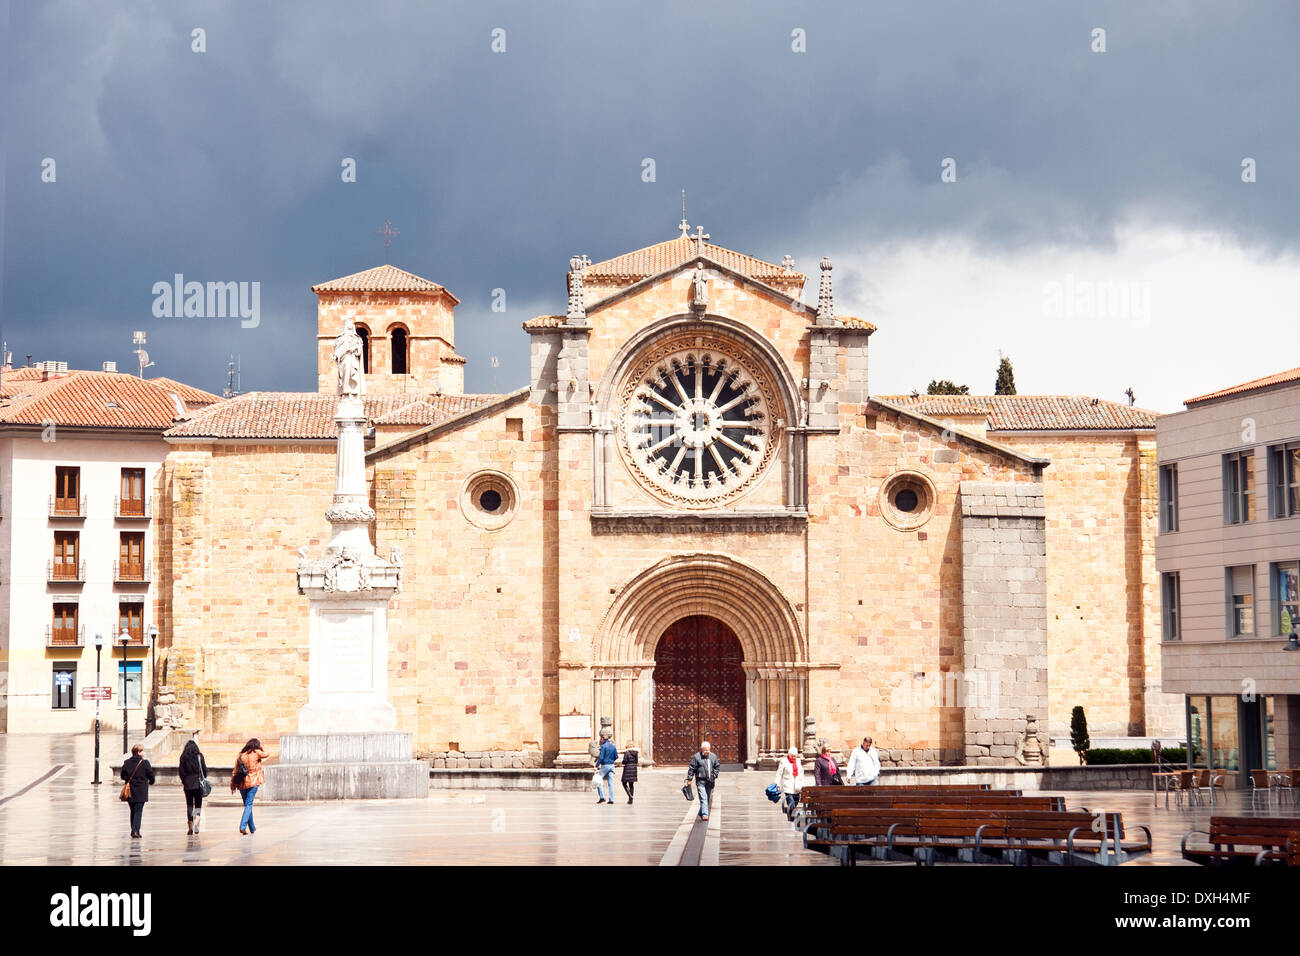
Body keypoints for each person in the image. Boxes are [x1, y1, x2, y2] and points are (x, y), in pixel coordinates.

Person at [231, 738, 268, 834]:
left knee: (247, 805)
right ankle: (242, 826)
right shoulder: (257, 753)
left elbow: (235, 771)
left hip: (242, 783)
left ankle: (252, 828)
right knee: (249, 805)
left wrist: (233, 784)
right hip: (253, 781)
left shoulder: (240, 755)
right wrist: (262, 747)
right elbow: (267, 754)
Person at [120, 744, 155, 839]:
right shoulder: (145, 763)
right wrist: (151, 782)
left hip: (130, 790)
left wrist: (129, 779)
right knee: (138, 811)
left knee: (133, 810)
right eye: (142, 751)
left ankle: (133, 829)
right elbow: (151, 775)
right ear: (139, 752)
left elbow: (122, 776)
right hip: (141, 791)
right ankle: (135, 831)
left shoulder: (127, 762)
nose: (144, 753)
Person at [178, 739, 208, 834]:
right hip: (198, 783)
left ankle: (190, 825)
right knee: (198, 805)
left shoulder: (183, 757)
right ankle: (197, 822)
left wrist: (184, 780)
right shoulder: (200, 756)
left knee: (189, 804)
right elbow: (204, 770)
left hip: (187, 784)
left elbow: (181, 772)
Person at [685, 741, 720, 821]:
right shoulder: (696, 757)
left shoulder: (713, 757)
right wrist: (689, 779)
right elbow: (692, 768)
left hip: (710, 781)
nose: (707, 752)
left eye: (708, 750)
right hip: (700, 780)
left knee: (708, 797)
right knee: (703, 797)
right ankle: (705, 814)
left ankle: (702, 810)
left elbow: (717, 767)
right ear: (702, 749)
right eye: (705, 750)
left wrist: (714, 775)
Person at [774, 746, 803, 816]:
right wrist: (776, 784)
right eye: (792, 756)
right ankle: (793, 816)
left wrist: (802, 783)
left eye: (795, 756)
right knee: (791, 802)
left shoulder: (798, 761)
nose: (794, 757)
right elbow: (779, 773)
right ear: (789, 755)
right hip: (788, 785)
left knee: (796, 801)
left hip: (797, 785)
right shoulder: (784, 761)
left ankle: (791, 815)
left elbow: (801, 773)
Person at [594, 733, 618, 805]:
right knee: (610, 783)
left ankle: (602, 797)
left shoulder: (603, 747)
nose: (600, 740)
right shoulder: (613, 746)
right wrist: (611, 760)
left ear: (603, 739)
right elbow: (616, 756)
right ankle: (611, 799)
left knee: (598, 780)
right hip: (611, 765)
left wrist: (596, 765)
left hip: (605, 765)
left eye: (601, 739)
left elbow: (601, 757)